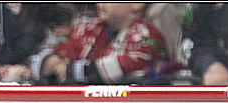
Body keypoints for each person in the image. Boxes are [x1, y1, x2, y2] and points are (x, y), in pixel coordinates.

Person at [35, 2, 168, 85]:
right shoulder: (90, 29)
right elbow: (53, 49)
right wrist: (51, 60)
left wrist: (77, 70)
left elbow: (137, 61)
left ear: (136, 4)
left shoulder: (147, 34)